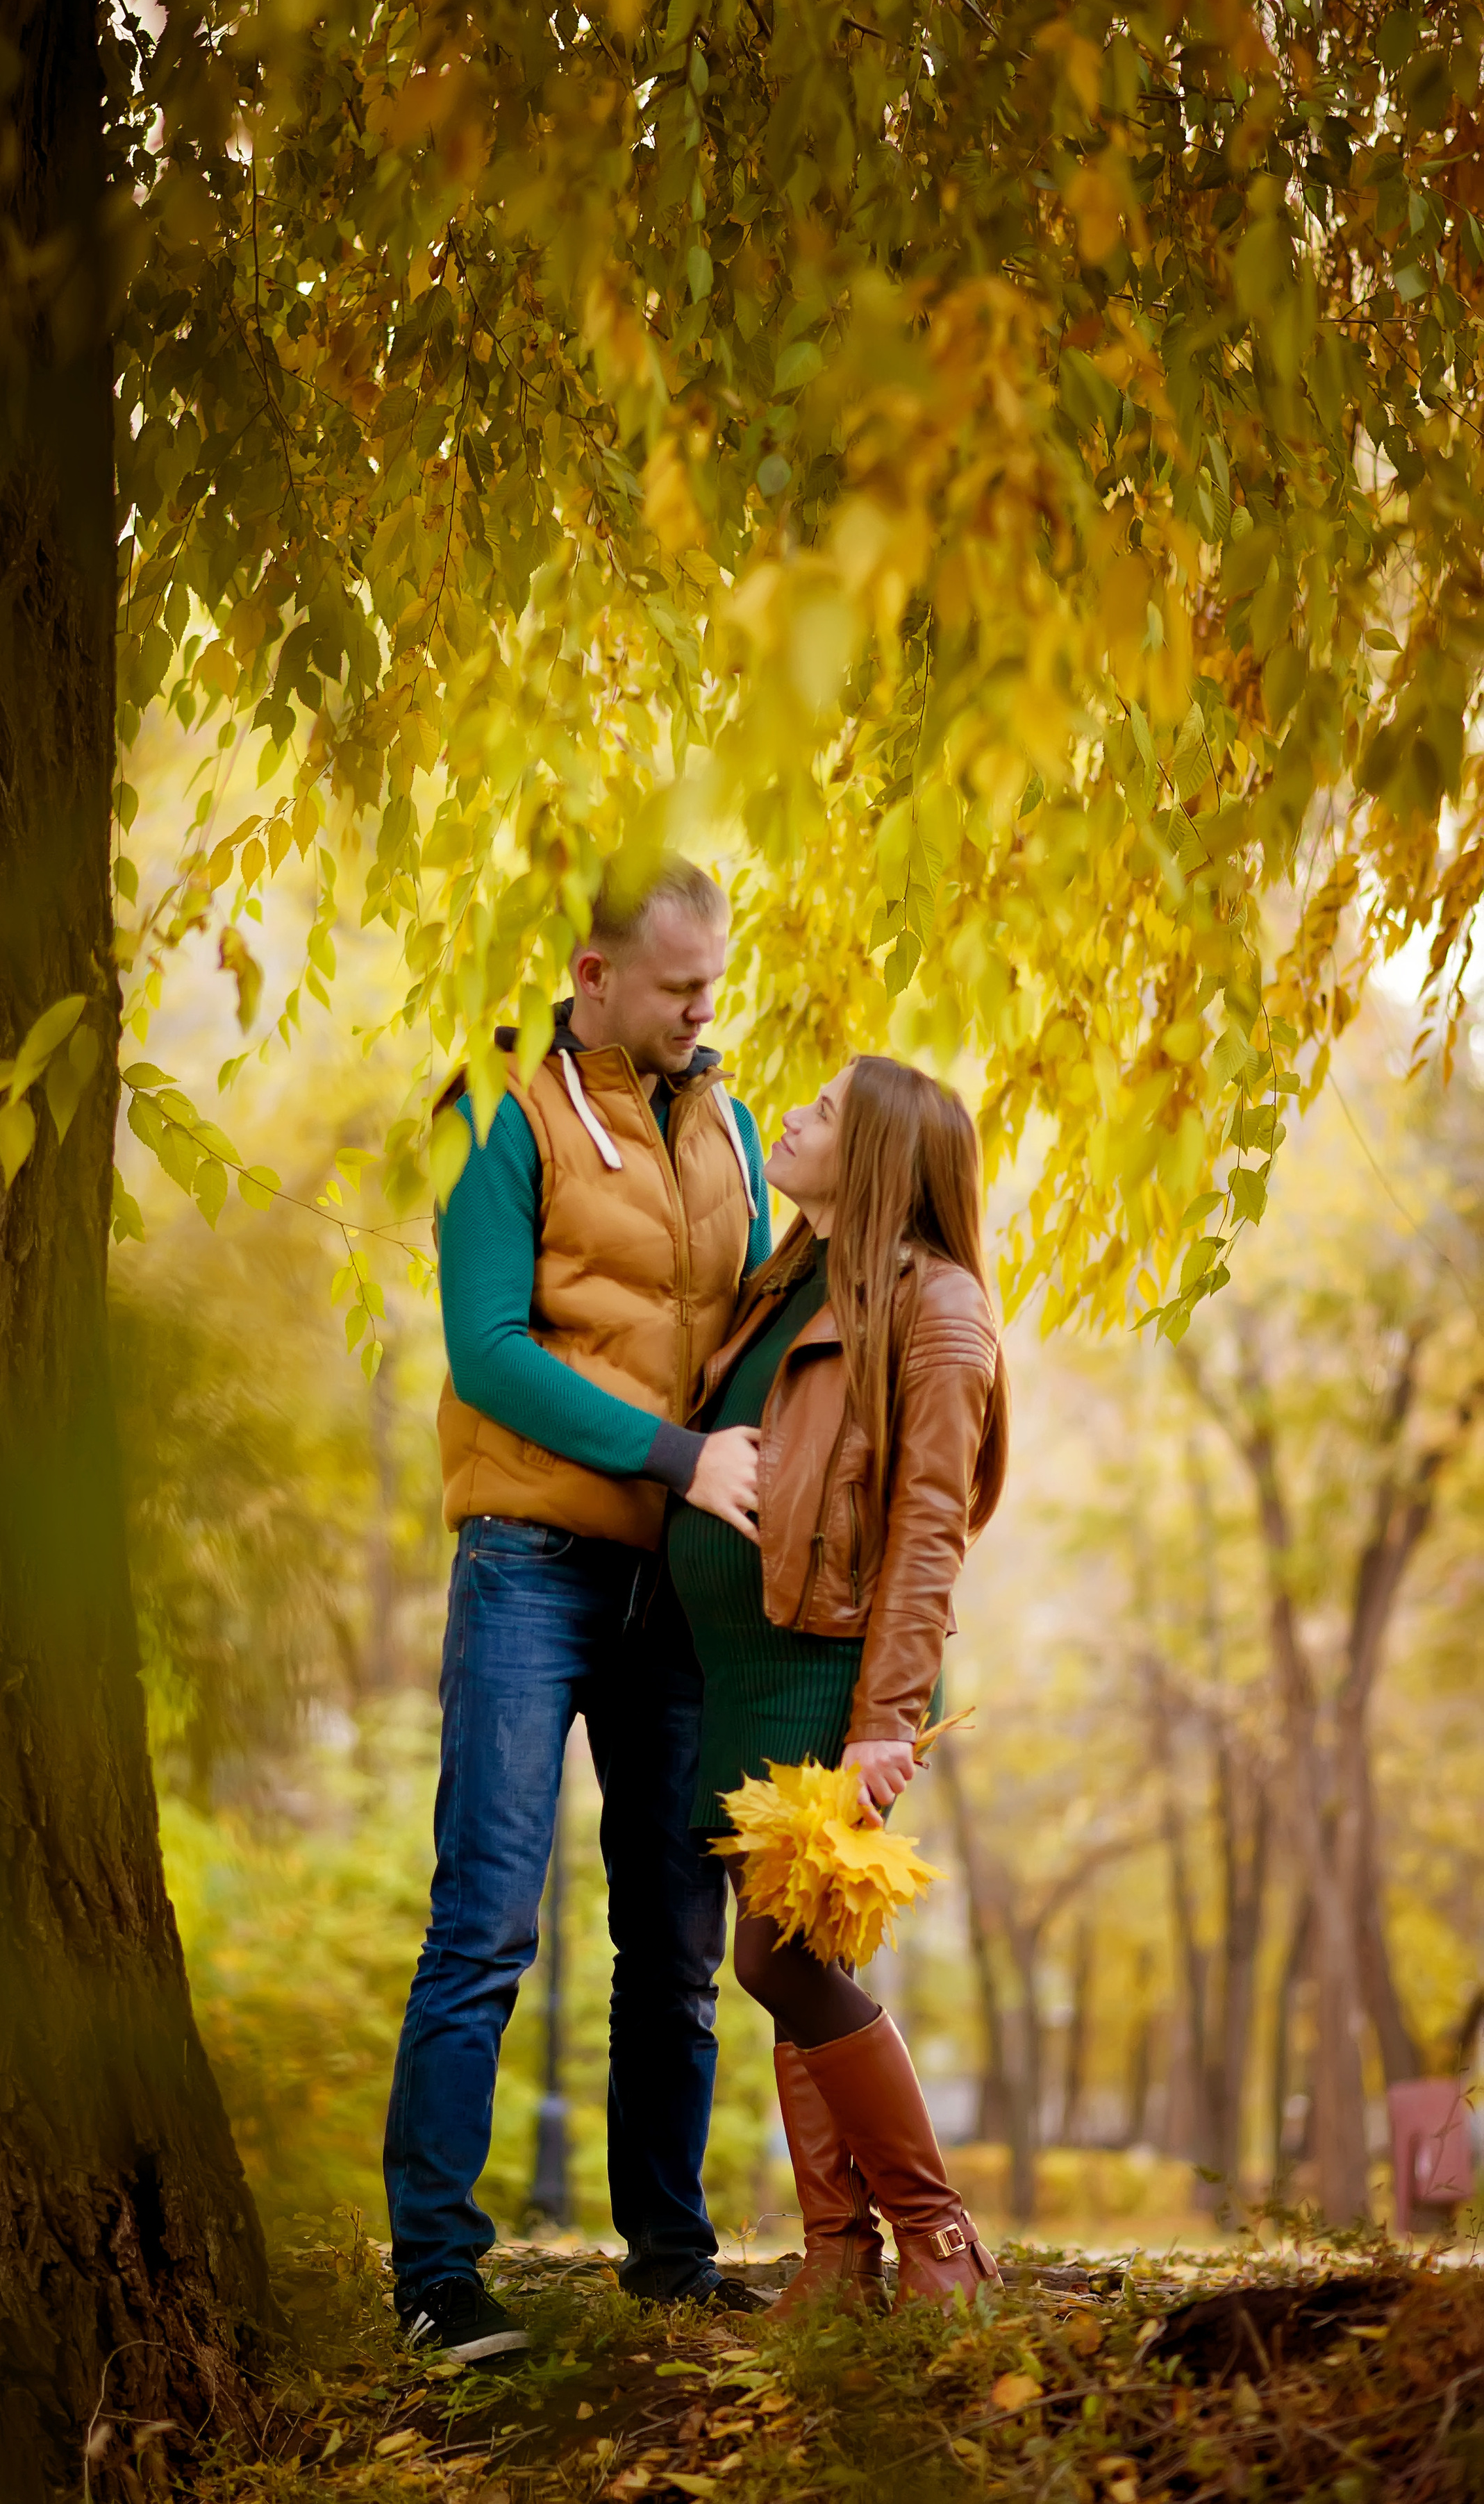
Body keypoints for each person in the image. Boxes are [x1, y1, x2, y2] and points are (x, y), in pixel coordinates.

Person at [383, 857, 774, 2362]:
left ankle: (667, 2256)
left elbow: (745, 1338)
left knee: (674, 1938)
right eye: (679, 983)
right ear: (592, 972)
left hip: (673, 1590)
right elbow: (484, 1350)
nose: (704, 1005)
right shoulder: (489, 1109)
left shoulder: (728, 1124)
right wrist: (678, 1455)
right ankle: (434, 2275)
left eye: (712, 979)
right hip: (528, 1564)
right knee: (484, 1917)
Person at [667, 1054, 1010, 2314]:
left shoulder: (939, 1305)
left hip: (826, 1682)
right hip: (748, 1671)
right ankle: (839, 2255)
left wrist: (886, 1723)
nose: (791, 1116)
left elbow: (930, 1529)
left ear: (872, 1156)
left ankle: (938, 2236)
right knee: (789, 1954)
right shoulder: (789, 1280)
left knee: (773, 1957)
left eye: (820, 1111)